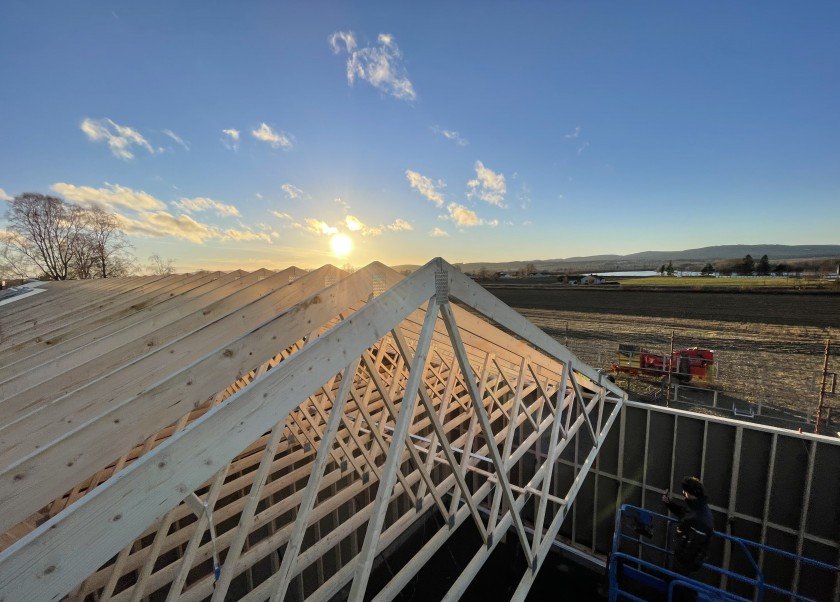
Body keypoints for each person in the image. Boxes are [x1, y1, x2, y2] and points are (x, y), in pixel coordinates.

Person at [661, 476, 714, 600]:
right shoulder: (698, 507)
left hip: (686, 564)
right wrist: (668, 503)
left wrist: (681, 557)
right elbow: (684, 513)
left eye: (685, 491)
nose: (683, 493)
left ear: (691, 493)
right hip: (684, 561)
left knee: (682, 591)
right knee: (678, 587)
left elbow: (692, 548)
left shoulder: (700, 518)